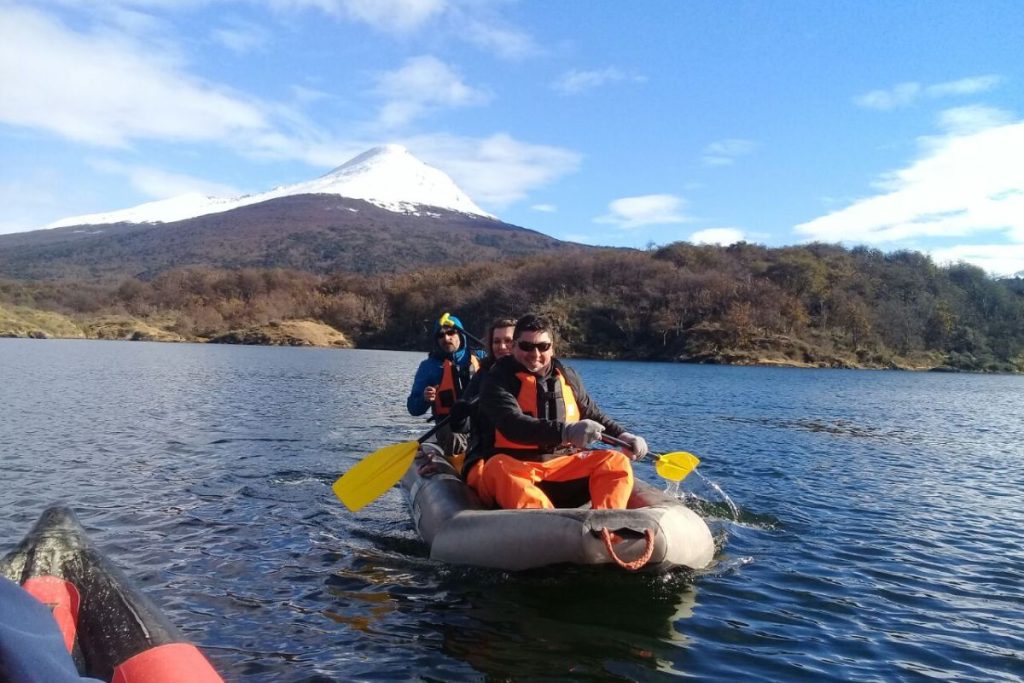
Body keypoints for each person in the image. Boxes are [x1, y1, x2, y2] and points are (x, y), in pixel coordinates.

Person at [463, 313, 649, 510]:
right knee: (497, 467)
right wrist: (566, 431)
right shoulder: (495, 380)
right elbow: (512, 424)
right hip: (515, 466)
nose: (535, 354)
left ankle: (607, 528)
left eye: (543, 346)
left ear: (552, 347)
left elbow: (593, 413)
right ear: (515, 346)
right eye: (527, 346)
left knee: (615, 460)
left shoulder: (567, 376)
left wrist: (623, 435)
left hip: (560, 466)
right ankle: (547, 526)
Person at [406, 312, 485, 458]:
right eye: (440, 335)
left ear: (461, 335)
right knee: (454, 435)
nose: (446, 338)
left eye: (451, 332)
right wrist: (424, 399)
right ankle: (459, 469)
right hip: (449, 426)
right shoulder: (428, 367)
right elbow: (413, 409)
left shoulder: (482, 357)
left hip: (482, 422)